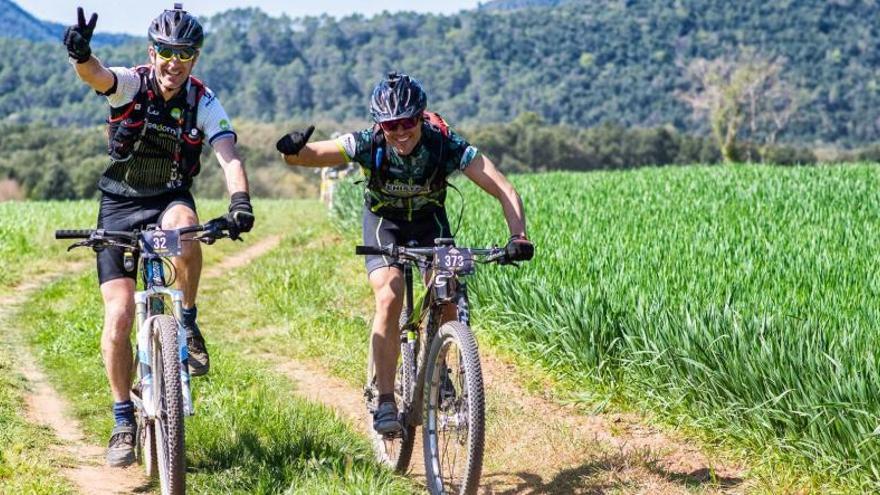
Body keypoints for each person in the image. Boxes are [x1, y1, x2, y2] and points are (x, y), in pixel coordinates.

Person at [277, 72, 534, 434]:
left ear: (421, 116)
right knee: (390, 294)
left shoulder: (444, 143)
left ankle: (440, 366)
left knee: (448, 289)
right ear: (379, 124)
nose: (400, 132)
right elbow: (314, 154)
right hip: (386, 224)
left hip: (431, 223)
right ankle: (384, 400)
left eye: (408, 122)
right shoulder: (369, 142)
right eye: (390, 125)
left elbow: (503, 188)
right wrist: (292, 150)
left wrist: (518, 234)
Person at [63, 4, 254, 466]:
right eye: (166, 52)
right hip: (119, 204)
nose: (174, 62)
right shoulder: (133, 83)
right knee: (121, 314)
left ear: (195, 57)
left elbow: (228, 156)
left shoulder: (203, 101)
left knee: (187, 230)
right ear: (153, 52)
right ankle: (123, 417)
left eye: (185, 53)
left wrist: (240, 202)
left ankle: (186, 321)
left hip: (168, 199)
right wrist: (80, 55)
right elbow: (99, 76)